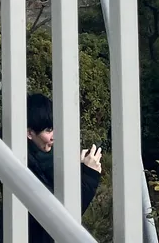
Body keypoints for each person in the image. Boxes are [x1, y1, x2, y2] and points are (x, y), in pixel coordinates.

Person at [23, 92, 102, 243]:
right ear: (29, 133)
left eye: (54, 128)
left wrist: (79, 172)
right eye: (48, 130)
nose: (54, 136)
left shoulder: (44, 160)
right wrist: (89, 176)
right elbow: (64, 215)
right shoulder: (26, 166)